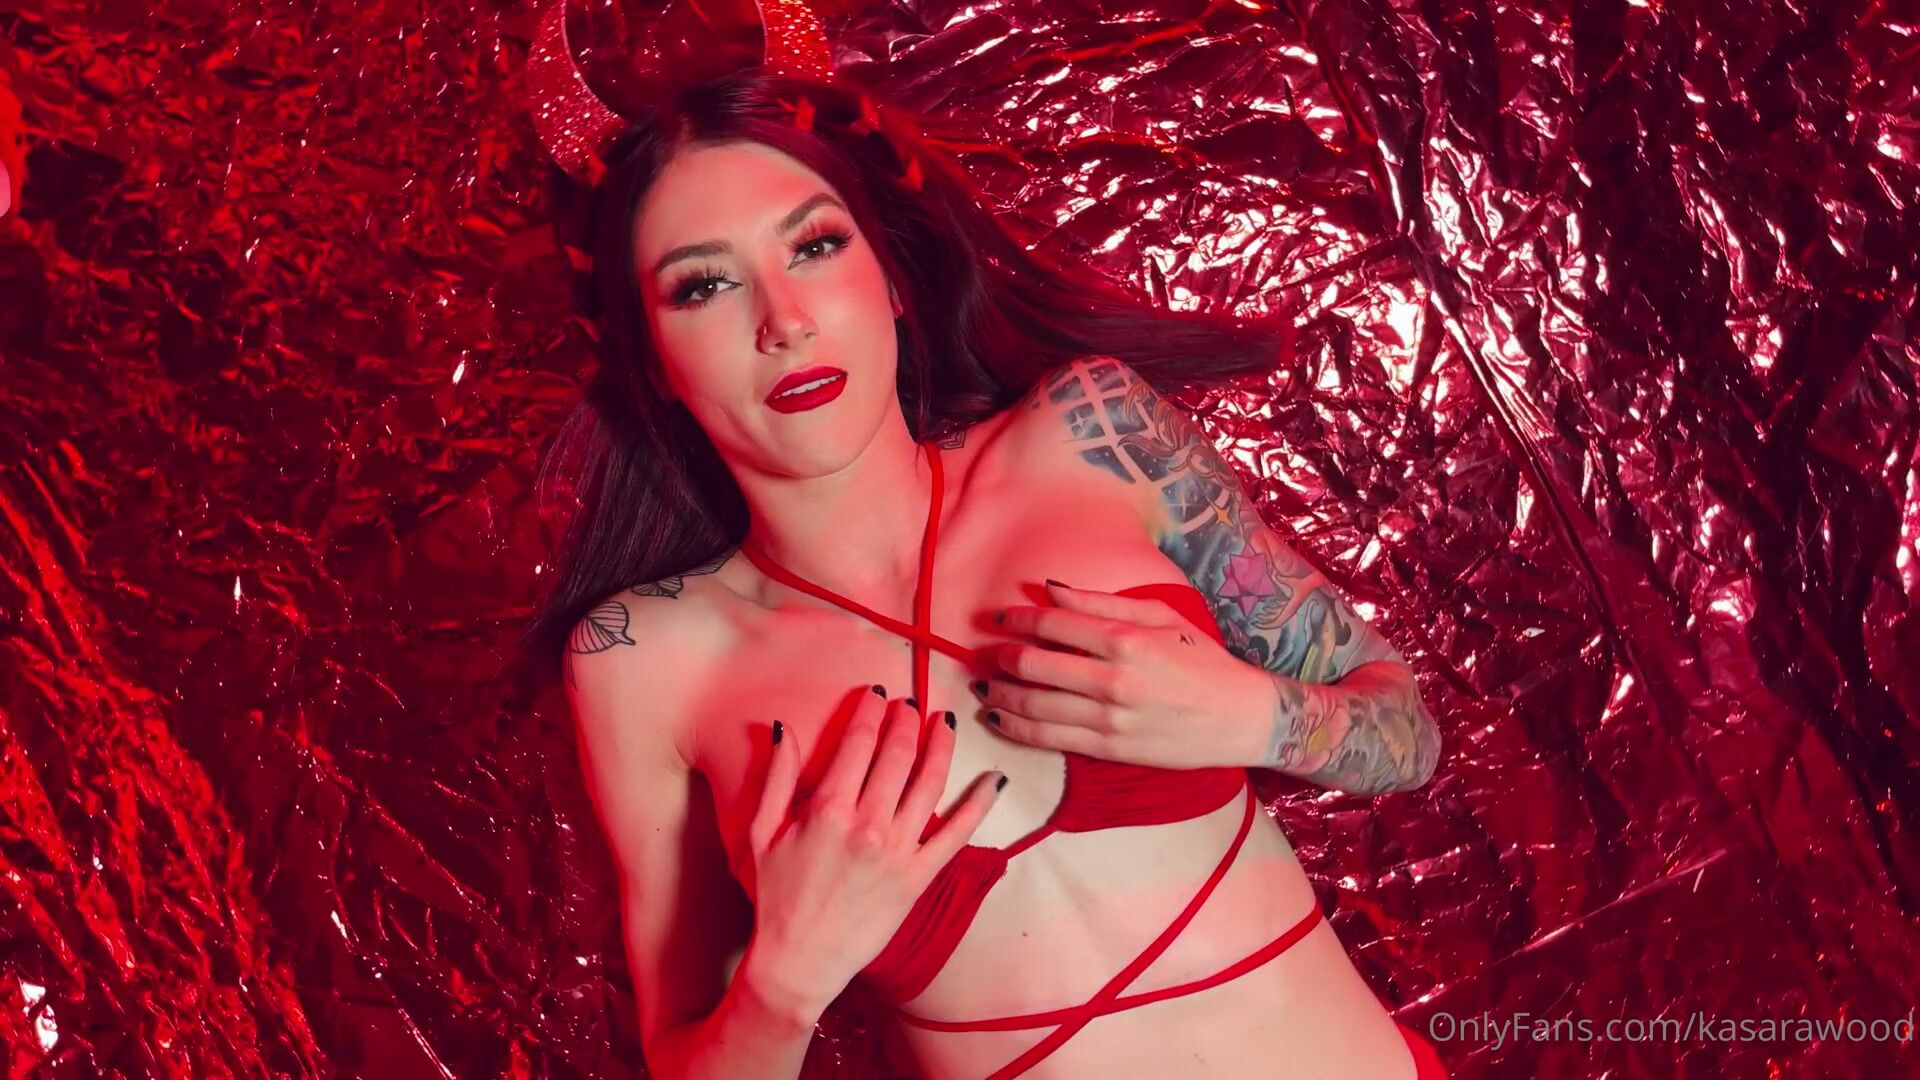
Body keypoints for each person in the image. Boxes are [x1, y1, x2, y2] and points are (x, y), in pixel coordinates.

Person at [520, 69, 1446, 1080]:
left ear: (891, 278)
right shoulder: (643, 658)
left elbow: (1406, 733)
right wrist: (785, 981)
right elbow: (680, 1052)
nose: (783, 321)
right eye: (703, 285)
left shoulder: (1094, 436)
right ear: (653, 360)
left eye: (815, 246)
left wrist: (1252, 718)